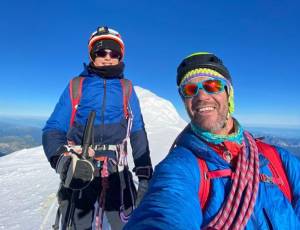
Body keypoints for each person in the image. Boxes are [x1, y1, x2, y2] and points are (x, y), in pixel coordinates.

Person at [124, 52, 300, 229]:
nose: (201, 97)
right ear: (184, 101)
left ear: (228, 93)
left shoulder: (278, 158)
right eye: (190, 90)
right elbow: (164, 208)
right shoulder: (182, 165)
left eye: (212, 85)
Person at [42, 26, 153, 230]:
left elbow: (137, 131)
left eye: (114, 53)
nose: (108, 57)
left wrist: (145, 172)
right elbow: (53, 129)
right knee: (78, 223)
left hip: (115, 170)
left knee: (125, 223)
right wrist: (62, 162)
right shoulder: (77, 86)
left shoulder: (126, 88)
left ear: (120, 57)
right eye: (102, 52)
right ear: (92, 55)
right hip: (80, 166)